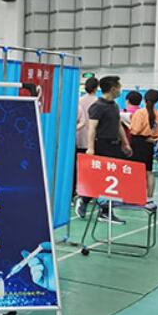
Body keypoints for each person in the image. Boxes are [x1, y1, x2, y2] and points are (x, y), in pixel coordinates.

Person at [82, 76, 133, 225]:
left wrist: (125, 143)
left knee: (112, 178)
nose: (120, 90)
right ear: (112, 89)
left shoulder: (114, 105)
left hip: (114, 145)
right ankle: (104, 211)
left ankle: (85, 200)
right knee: (104, 179)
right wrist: (90, 148)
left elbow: (118, 125)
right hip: (101, 145)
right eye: (119, 87)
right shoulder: (98, 106)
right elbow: (92, 128)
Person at [129, 89, 158, 203]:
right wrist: (156, 138)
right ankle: (149, 198)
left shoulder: (139, 113)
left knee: (136, 170)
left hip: (138, 142)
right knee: (149, 171)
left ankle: (135, 196)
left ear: (144, 99)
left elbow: (135, 130)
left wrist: (128, 126)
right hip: (149, 143)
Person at [73, 76, 98, 218]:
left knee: (77, 168)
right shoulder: (98, 102)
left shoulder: (78, 101)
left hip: (79, 138)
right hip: (92, 141)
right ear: (96, 88)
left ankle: (76, 193)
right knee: (90, 169)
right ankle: (87, 194)